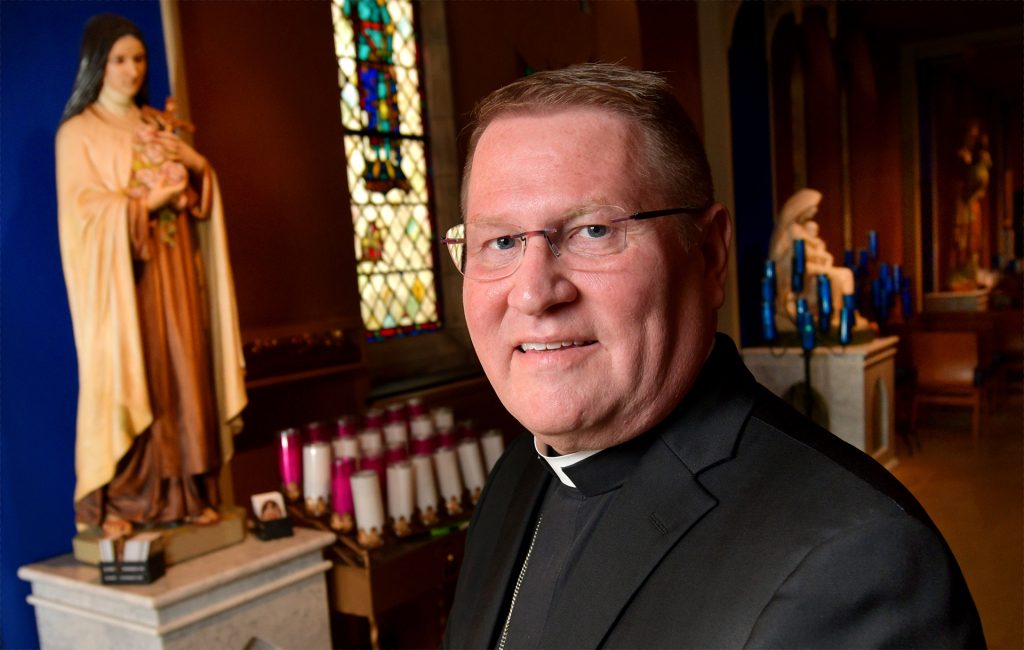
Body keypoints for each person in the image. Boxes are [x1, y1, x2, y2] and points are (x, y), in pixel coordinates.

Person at [442, 64, 984, 648]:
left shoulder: (857, 565)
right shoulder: (515, 476)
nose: (533, 292)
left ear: (707, 254)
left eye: (593, 231)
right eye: (500, 242)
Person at [56, 14, 247, 538]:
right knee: (132, 374)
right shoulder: (79, 133)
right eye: (119, 60)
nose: (131, 70)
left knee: (184, 373)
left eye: (138, 58)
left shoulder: (157, 125)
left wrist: (192, 167)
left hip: (174, 272)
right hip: (124, 283)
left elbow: (199, 191)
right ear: (97, 65)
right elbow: (82, 214)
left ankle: (186, 492)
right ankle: (120, 497)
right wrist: (146, 202)